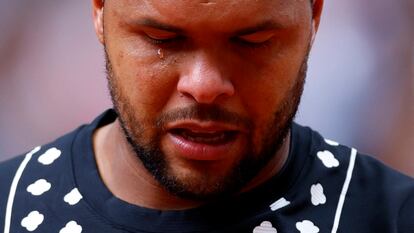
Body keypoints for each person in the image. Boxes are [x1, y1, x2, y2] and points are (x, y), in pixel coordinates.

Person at [1, 0, 413, 232]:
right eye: (163, 40)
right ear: (99, 12)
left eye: (253, 42)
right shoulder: (9, 209)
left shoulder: (392, 217)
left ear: (315, 17)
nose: (205, 85)